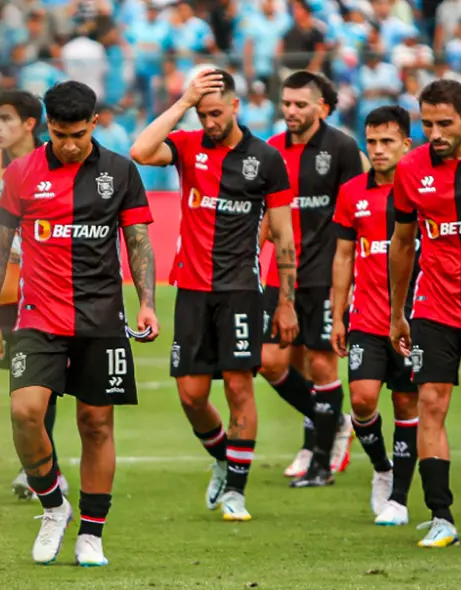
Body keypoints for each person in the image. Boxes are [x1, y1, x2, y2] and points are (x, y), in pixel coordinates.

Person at [0, 80, 155, 567]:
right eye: (60, 134)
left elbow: (138, 241)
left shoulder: (121, 172)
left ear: (95, 124)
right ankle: (53, 506)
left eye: (78, 133)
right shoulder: (21, 173)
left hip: (102, 317)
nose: (70, 144)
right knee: (24, 413)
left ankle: (92, 534)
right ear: (48, 127)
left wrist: (146, 302)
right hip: (38, 316)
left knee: (96, 423)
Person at [132, 68, 297, 522]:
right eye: (204, 115)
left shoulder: (265, 159)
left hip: (242, 290)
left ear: (237, 106)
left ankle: (237, 493)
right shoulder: (188, 145)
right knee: (190, 394)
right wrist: (183, 103)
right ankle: (224, 457)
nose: (210, 123)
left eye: (217, 113)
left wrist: (286, 300)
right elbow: (140, 151)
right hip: (191, 289)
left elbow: (282, 234)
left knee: (241, 387)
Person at [261, 71, 362, 487]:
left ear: (322, 106)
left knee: (321, 364)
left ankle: (320, 460)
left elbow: (357, 211)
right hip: (279, 273)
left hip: (323, 271)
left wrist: (351, 277)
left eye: (300, 104)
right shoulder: (270, 150)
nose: (291, 111)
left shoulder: (341, 148)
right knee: (272, 362)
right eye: (286, 103)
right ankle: (333, 422)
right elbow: (266, 211)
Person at [389, 79, 461, 548]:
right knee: (431, 405)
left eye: (444, 123)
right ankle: (441, 515)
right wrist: (397, 311)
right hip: (434, 306)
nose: (434, 132)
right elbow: (402, 243)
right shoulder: (411, 168)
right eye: (427, 124)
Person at [0, 90, 69, 503]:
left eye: (6, 119)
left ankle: (46, 470)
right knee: (18, 379)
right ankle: (41, 467)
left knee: (41, 381)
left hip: (49, 290)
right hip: (5, 288)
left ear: (31, 124)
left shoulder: (57, 161)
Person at [331, 105, 418, 527]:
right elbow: (344, 254)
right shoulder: (352, 192)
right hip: (366, 316)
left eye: (387, 142)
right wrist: (337, 314)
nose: (378, 150)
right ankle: (381, 466)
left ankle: (399, 497)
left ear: (407, 143)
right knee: (363, 399)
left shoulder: (422, 190)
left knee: (406, 403)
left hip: (417, 319)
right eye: (372, 142)